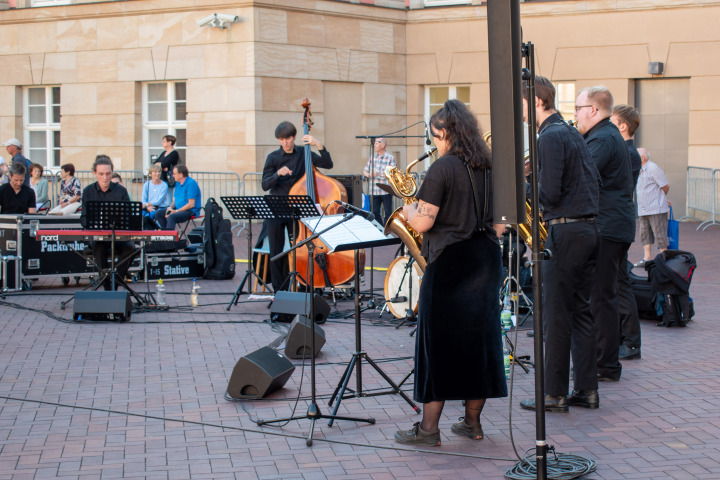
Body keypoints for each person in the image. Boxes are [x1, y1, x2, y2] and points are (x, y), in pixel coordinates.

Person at [394, 99, 507, 446]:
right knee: (481, 342)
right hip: (487, 259)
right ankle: (472, 424)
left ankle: (428, 430)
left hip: (450, 265)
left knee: (437, 346)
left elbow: (424, 221)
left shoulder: (443, 168)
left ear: (444, 132)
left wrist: (409, 207)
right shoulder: (492, 167)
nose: (435, 143)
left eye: (435, 137)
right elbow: (501, 228)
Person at [518, 76, 601, 413]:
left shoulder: (549, 137)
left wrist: (520, 185)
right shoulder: (569, 132)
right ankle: (586, 390)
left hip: (565, 233)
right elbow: (590, 181)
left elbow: (547, 194)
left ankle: (553, 394)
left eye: (522, 105)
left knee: (554, 315)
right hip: (586, 230)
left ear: (537, 101)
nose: (520, 113)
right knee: (581, 312)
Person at [575, 86, 635, 383]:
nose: (575, 116)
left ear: (593, 110)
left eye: (577, 109)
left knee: (600, 296)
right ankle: (605, 362)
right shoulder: (605, 135)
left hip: (608, 227)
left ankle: (604, 364)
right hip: (614, 225)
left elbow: (581, 174)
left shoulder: (602, 138)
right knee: (604, 294)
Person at [261, 121, 333, 291]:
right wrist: (278, 173)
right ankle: (280, 292)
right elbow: (265, 185)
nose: (284, 142)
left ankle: (304, 286)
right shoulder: (273, 157)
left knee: (301, 249)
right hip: (277, 209)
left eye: (287, 139)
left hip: (297, 209)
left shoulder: (303, 152)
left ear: (294, 137)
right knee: (276, 252)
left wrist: (318, 144)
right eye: (281, 139)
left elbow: (328, 164)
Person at [610, 104, 643, 361]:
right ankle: (623, 338)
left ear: (622, 126)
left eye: (612, 121)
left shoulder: (629, 153)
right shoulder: (623, 150)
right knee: (616, 282)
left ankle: (631, 342)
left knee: (621, 283)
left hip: (618, 225)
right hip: (617, 223)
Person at [80, 155, 136, 291]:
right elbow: (83, 219)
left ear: (112, 173)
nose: (105, 177)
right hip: (99, 237)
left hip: (118, 236)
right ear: (95, 173)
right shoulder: (88, 191)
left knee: (131, 248)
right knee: (99, 248)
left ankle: (115, 281)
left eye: (108, 174)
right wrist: (96, 224)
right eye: (101, 174)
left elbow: (128, 216)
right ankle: (107, 287)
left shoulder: (121, 191)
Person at [636, 147, 670, 263]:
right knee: (645, 234)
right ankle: (647, 258)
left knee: (660, 235)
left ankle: (664, 259)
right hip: (643, 208)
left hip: (656, 208)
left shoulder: (653, 168)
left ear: (641, 158)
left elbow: (665, 185)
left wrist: (662, 198)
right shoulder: (638, 169)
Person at [155, 165, 201, 230]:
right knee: (158, 213)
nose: (173, 175)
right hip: (178, 209)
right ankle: (166, 233)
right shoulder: (178, 183)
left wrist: (176, 211)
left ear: (181, 175)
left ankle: (170, 237)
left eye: (174, 174)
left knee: (172, 216)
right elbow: (175, 200)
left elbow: (191, 204)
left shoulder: (191, 183)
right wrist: (170, 208)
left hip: (190, 211)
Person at [362, 137, 396, 226]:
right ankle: (381, 229)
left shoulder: (390, 158)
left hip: (386, 190)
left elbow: (392, 174)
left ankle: (387, 230)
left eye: (377, 143)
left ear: (383, 145)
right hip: (374, 190)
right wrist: (369, 174)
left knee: (388, 213)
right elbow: (365, 171)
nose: (375, 145)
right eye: (375, 143)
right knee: (375, 212)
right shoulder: (372, 158)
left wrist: (378, 174)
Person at [141, 163, 170, 227]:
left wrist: (147, 204)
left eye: (159, 171)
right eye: (155, 172)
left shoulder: (164, 185)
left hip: (160, 208)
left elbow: (158, 201)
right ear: (150, 174)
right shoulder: (146, 184)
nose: (157, 173)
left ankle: (148, 232)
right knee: (136, 214)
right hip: (148, 208)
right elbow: (143, 199)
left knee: (148, 216)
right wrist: (147, 207)